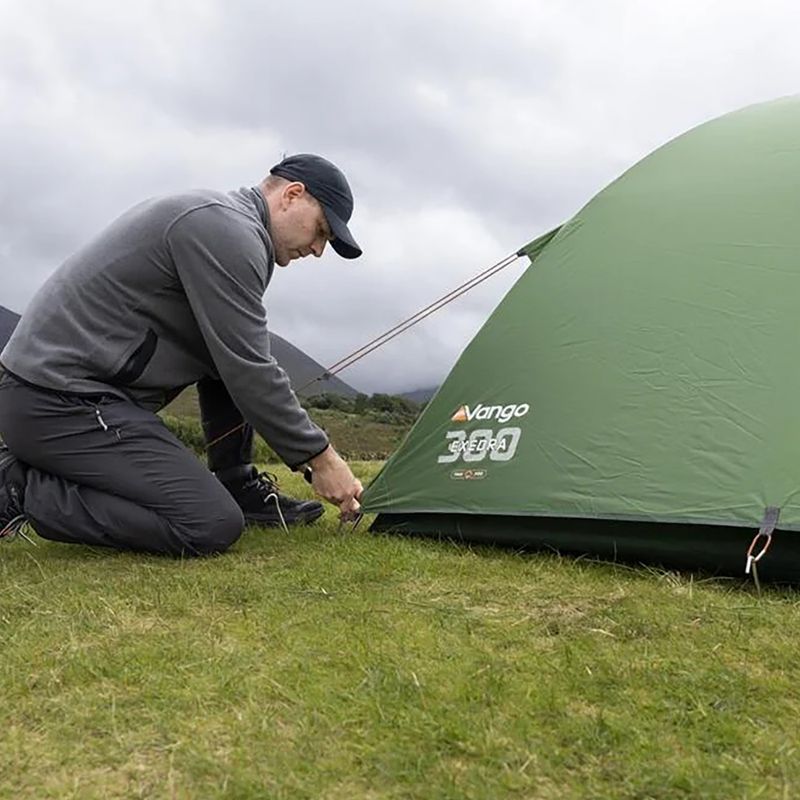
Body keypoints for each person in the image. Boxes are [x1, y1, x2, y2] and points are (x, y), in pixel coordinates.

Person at [0, 153, 364, 556]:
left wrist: (243, 473)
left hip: (71, 400)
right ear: (292, 195)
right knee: (208, 523)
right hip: (56, 402)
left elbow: (227, 360)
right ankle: (15, 486)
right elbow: (249, 369)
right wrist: (321, 459)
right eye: (321, 231)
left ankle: (238, 484)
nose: (318, 250)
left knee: (228, 367)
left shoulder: (230, 227)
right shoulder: (225, 231)